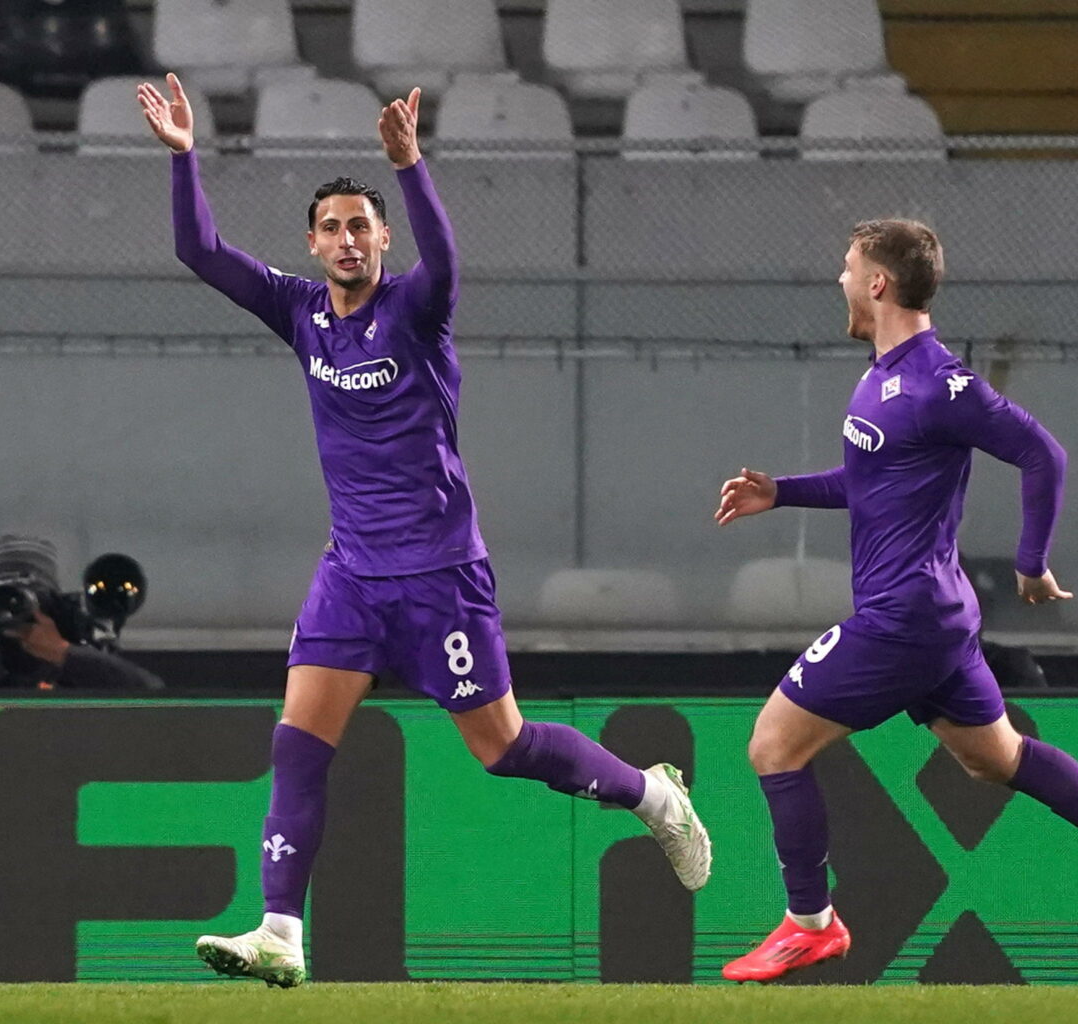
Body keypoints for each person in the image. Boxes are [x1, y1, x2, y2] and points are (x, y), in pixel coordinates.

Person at [137, 75, 711, 987]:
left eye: (361, 225)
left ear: (382, 237)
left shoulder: (414, 307)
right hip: (352, 577)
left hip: (441, 575)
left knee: (505, 750)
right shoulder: (301, 312)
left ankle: (654, 796)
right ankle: (280, 932)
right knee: (297, 743)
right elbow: (199, 248)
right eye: (331, 226)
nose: (347, 239)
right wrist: (182, 155)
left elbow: (447, 265)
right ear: (314, 243)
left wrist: (410, 165)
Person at [712, 219, 1078, 983]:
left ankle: (812, 924)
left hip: (904, 618)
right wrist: (783, 494)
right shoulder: (880, 375)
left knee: (774, 744)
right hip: (936, 617)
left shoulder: (939, 382)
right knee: (993, 758)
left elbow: (1043, 452)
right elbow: (870, 482)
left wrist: (1032, 563)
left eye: (846, 267)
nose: (838, 279)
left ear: (877, 283)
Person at [0, 534, 164, 691]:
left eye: (30, 593)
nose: (16, 606)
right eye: (6, 594)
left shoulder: (70, 625)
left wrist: (62, 652)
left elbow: (148, 692)